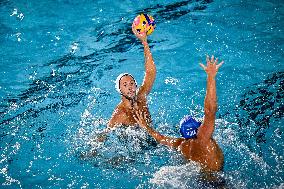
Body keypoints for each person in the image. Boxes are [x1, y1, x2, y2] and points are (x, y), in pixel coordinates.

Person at [134, 55, 224, 172]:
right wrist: (211, 77)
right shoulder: (203, 137)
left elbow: (161, 138)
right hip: (219, 181)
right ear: (199, 129)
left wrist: (146, 126)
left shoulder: (181, 144)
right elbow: (210, 111)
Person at [97, 23, 157, 141]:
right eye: (125, 85)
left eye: (131, 84)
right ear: (120, 90)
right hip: (136, 150)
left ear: (136, 86)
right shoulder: (120, 114)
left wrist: (144, 42)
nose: (129, 87)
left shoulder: (142, 97)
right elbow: (104, 135)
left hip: (152, 138)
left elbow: (151, 72)